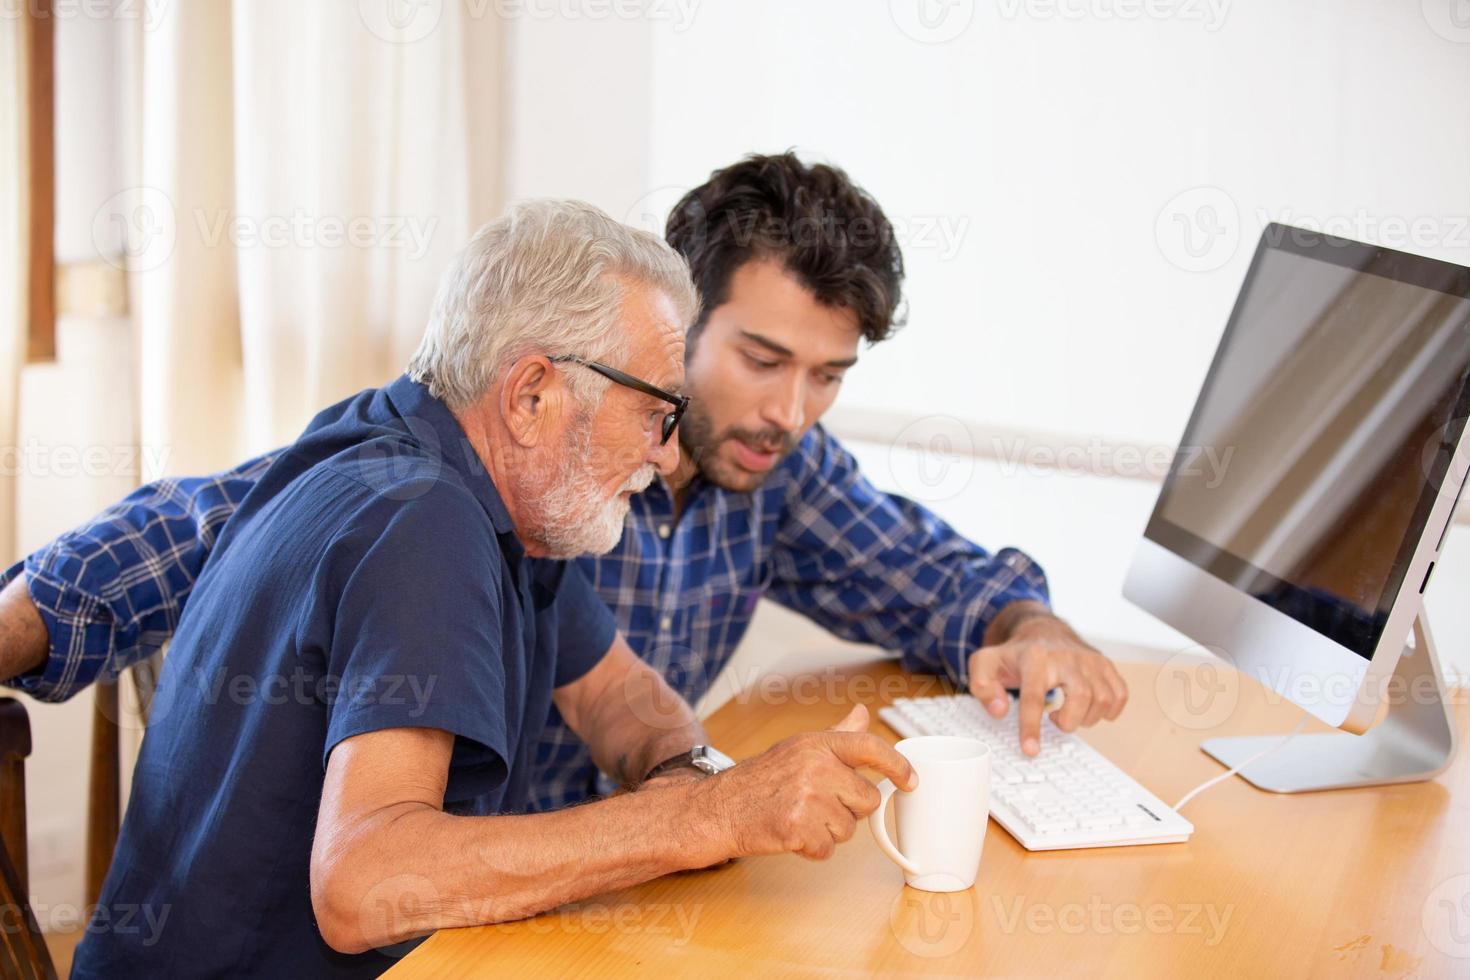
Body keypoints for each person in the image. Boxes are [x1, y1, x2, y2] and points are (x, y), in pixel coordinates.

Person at [0, 154, 1126, 814]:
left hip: (596, 885)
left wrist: (1026, 624)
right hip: (424, 906)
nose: (793, 411)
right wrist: (15, 623)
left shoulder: (776, 469)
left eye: (830, 376)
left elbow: (930, 576)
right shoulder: (513, 453)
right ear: (676, 319)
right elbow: (206, 522)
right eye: (765, 360)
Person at [69, 200, 917, 977]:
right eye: (657, 413)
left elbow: (619, 694)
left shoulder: (459, 477)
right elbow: (364, 885)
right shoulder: (421, 524)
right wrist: (714, 815)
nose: (666, 455)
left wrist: (693, 774)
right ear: (532, 394)